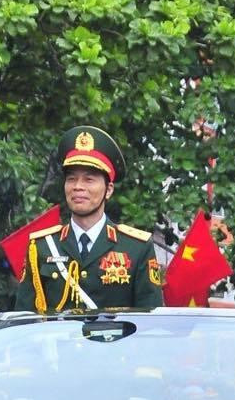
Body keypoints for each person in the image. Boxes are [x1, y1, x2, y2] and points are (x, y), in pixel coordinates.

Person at [14, 126, 164, 313]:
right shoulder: (42, 246)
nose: (78, 187)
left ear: (108, 190)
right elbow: (24, 317)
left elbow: (150, 319)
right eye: (71, 179)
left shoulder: (136, 247)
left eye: (89, 180)